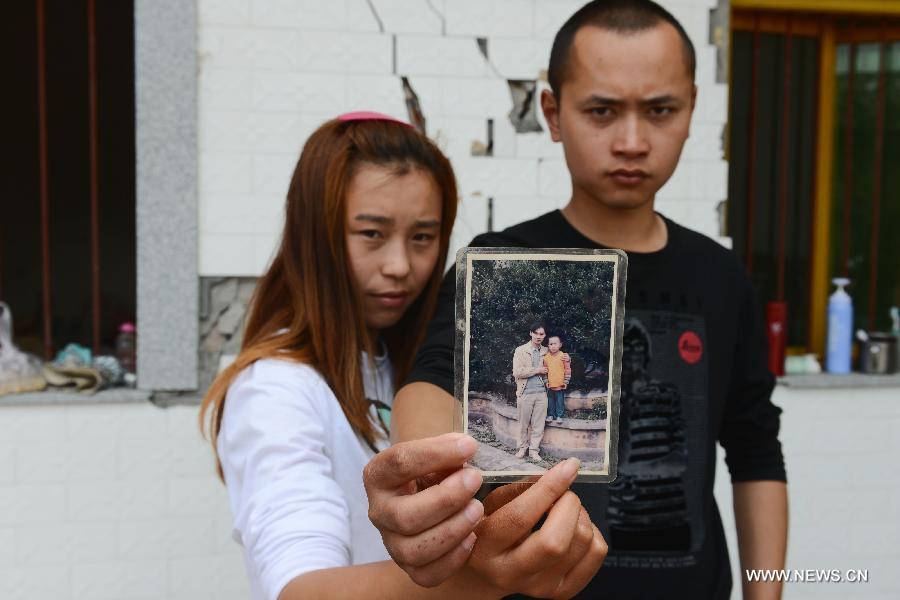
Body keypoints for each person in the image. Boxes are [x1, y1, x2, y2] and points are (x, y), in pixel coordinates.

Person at [365, 1, 788, 599]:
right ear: (553, 112)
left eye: (660, 110)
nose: (633, 141)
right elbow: (435, 378)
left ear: (691, 109)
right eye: (602, 111)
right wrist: (425, 475)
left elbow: (755, 451)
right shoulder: (500, 261)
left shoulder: (721, 276)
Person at [199, 112, 606, 600]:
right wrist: (474, 578)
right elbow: (299, 588)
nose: (400, 266)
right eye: (371, 234)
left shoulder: (410, 364)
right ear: (315, 236)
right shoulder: (275, 388)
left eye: (423, 237)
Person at [512, 323, 550, 460]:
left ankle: (534, 451)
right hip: (525, 393)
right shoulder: (520, 350)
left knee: (538, 424)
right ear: (531, 333)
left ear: (544, 336)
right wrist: (537, 370)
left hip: (541, 394)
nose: (539, 336)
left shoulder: (546, 351)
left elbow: (554, 365)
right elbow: (517, 372)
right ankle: (522, 449)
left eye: (542, 334)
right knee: (523, 424)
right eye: (536, 333)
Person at [543, 335, 572, 424]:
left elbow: (567, 369)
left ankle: (559, 416)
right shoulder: (546, 357)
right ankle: (551, 414)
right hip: (550, 385)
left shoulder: (563, 356)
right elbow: (545, 371)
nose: (553, 346)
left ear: (560, 345)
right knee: (550, 401)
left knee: (560, 401)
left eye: (555, 344)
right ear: (548, 346)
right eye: (551, 344)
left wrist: (566, 381)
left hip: (560, 384)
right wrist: (546, 381)